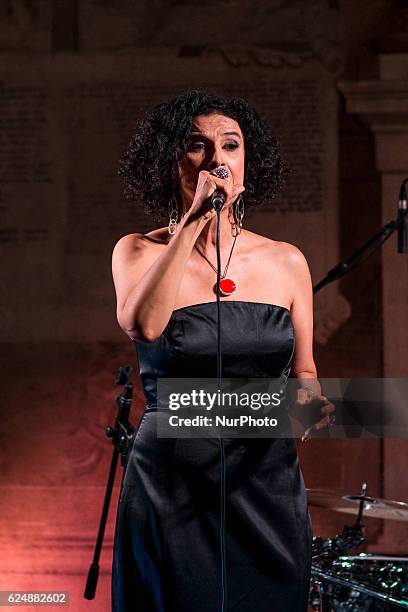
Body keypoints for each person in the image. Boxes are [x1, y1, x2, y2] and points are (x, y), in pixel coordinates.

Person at [111, 89, 333, 612]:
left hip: (263, 477)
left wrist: (306, 404)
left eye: (230, 146)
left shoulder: (287, 261)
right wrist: (191, 221)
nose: (217, 160)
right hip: (174, 477)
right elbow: (142, 325)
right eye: (197, 146)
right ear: (172, 162)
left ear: (246, 163)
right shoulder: (138, 250)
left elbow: (304, 369)